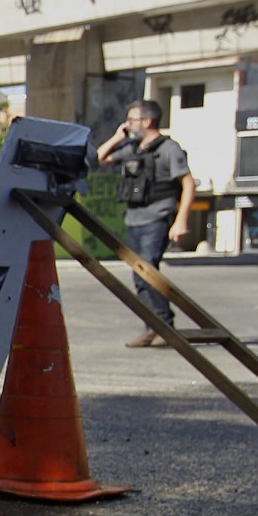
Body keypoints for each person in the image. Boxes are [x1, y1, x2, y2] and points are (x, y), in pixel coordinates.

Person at [96, 100, 194, 348]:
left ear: (147, 121)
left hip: (157, 217)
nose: (128, 124)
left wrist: (181, 220)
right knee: (140, 278)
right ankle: (151, 328)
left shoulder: (169, 148)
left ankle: (165, 326)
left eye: (132, 120)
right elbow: (100, 158)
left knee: (149, 272)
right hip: (134, 219)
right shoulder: (133, 149)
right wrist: (118, 136)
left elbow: (188, 183)